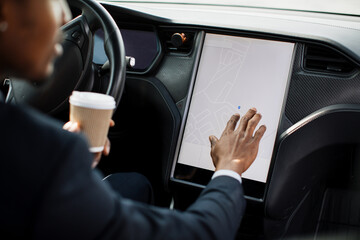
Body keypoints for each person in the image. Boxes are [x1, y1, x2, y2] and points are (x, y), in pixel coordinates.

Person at [0, 0, 266, 239]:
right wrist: (231, 167)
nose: (63, 17)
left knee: (134, 184)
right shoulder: (42, 156)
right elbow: (202, 233)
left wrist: (72, 160)